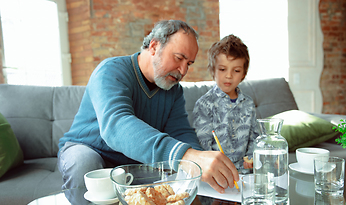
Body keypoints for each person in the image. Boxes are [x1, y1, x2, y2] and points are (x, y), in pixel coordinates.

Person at [58, 20, 239, 194]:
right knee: (84, 163)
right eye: (179, 58)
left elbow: (181, 132)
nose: (183, 71)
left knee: (176, 184)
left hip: (134, 162)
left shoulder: (173, 90)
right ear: (154, 46)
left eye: (189, 64)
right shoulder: (110, 71)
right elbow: (117, 126)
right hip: (89, 149)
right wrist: (187, 156)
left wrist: (198, 162)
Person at [192, 34, 259, 171]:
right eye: (222, 69)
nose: (229, 75)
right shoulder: (204, 104)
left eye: (236, 70)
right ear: (213, 70)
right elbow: (203, 145)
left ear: (243, 74)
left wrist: (251, 158)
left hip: (245, 174)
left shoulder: (249, 104)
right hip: (216, 173)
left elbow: (255, 138)